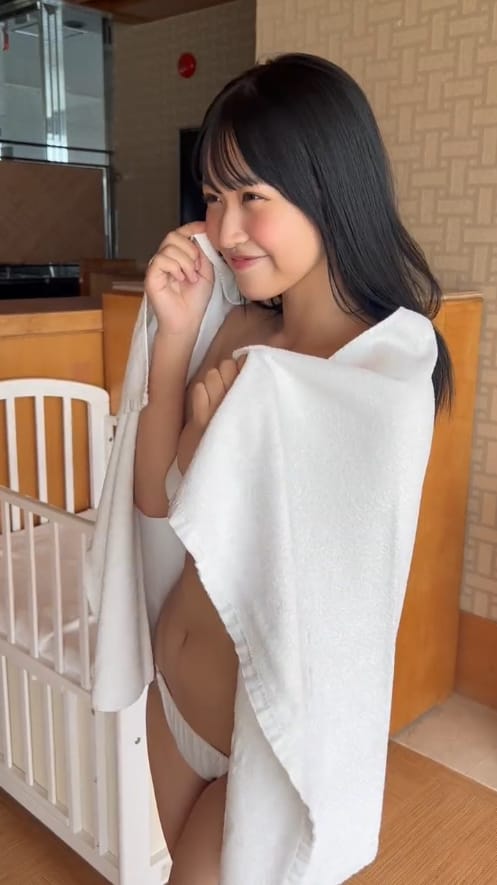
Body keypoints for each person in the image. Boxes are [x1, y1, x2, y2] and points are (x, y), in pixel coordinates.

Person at [134, 52, 453, 884]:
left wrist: (212, 459)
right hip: (172, 706)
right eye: (212, 196)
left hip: (265, 751)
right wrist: (174, 337)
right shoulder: (240, 331)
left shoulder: (379, 378)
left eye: (251, 196)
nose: (223, 229)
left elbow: (338, 599)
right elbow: (154, 501)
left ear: (327, 188)